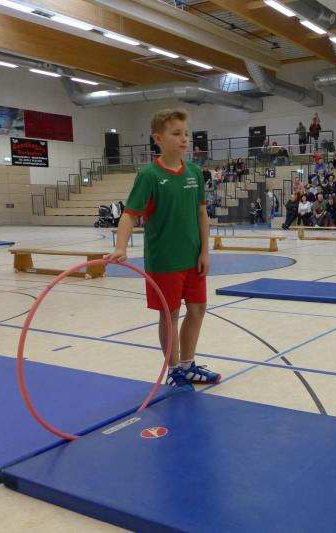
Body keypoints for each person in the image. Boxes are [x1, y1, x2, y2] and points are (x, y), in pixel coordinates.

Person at [107, 108, 219, 391]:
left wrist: (205, 252)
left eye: (186, 134)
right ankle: (173, 369)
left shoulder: (195, 172)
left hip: (193, 259)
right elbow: (129, 215)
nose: (184, 139)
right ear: (158, 138)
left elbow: (202, 214)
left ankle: (188, 366)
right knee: (170, 315)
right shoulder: (149, 176)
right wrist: (120, 247)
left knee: (198, 310)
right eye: (176, 134)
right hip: (164, 262)